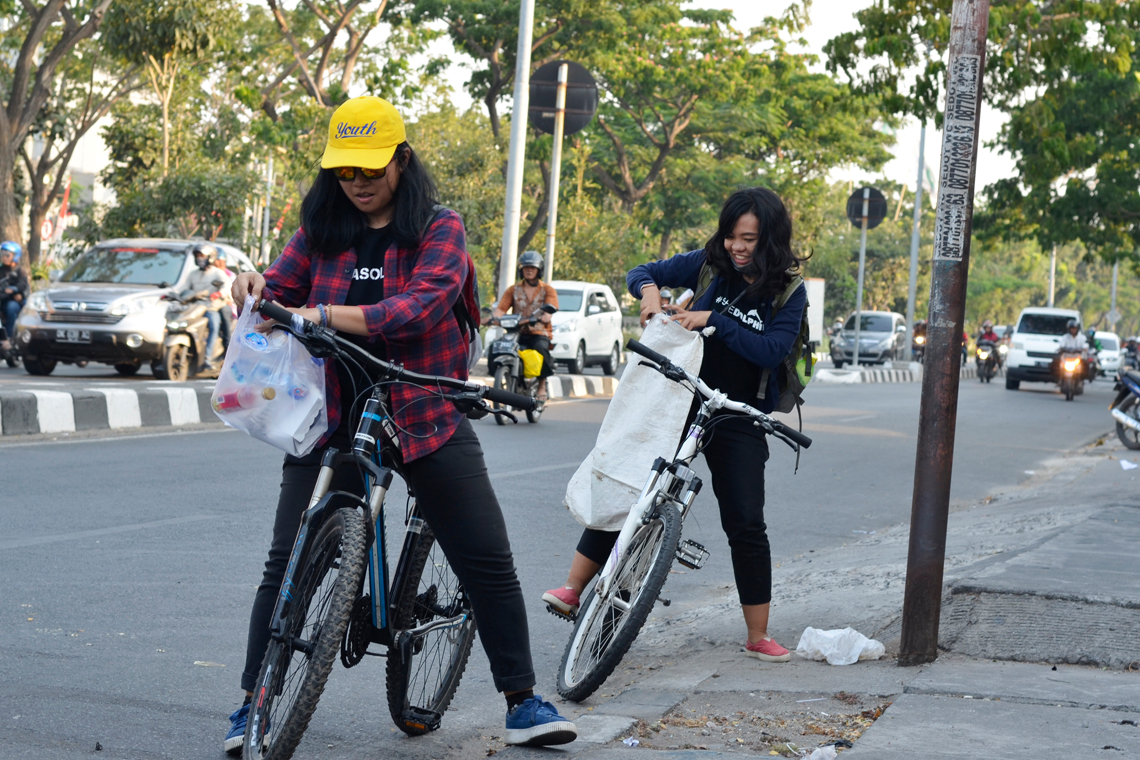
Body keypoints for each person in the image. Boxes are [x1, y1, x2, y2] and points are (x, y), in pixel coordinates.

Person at [225, 96, 576, 755]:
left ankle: (523, 702)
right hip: (333, 412)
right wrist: (255, 287)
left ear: (400, 160)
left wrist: (323, 314)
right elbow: (278, 285)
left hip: (422, 406)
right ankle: (253, 702)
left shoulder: (439, 228)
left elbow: (416, 310)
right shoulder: (320, 230)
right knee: (289, 557)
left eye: (369, 169)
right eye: (344, 172)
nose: (357, 183)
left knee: (486, 556)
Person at [542, 186, 808, 663]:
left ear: (770, 239)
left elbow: (771, 349)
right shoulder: (709, 262)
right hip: (678, 397)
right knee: (633, 486)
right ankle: (573, 587)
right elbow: (641, 272)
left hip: (738, 414)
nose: (737, 247)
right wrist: (648, 292)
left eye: (748, 238)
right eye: (731, 236)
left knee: (746, 522)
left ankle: (758, 634)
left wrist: (713, 320)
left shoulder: (789, 290)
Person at [492, 250, 558, 399]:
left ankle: (542, 384)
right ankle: (503, 376)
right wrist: (492, 318)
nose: (529, 270)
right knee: (497, 346)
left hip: (539, 332)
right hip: (517, 331)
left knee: (541, 349)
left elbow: (551, 307)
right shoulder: (513, 290)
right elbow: (501, 309)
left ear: (539, 270)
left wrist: (546, 315)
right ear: (520, 270)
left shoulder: (548, 289)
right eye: (526, 268)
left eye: (532, 268)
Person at [184, 243, 229, 370]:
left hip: (211, 308)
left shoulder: (218, 273)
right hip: (196, 308)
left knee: (214, 325)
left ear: (210, 257)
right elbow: (184, 289)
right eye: (197, 255)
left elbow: (227, 286)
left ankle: (207, 358)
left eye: (202, 255)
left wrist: (219, 293)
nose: (199, 258)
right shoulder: (192, 275)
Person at [0, 242, 28, 353]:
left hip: (12, 301)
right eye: (2, 253)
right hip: (2, 298)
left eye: (7, 254)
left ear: (15, 256)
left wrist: (14, 290)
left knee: (11, 308)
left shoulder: (20, 271)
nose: (4, 257)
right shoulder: (1, 270)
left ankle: (10, 338)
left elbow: (23, 285)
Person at [212, 250, 236, 350]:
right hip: (211, 303)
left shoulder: (230, 275)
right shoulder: (210, 273)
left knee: (225, 310)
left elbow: (231, 293)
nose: (216, 262)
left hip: (227, 303)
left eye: (218, 260)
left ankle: (227, 343)